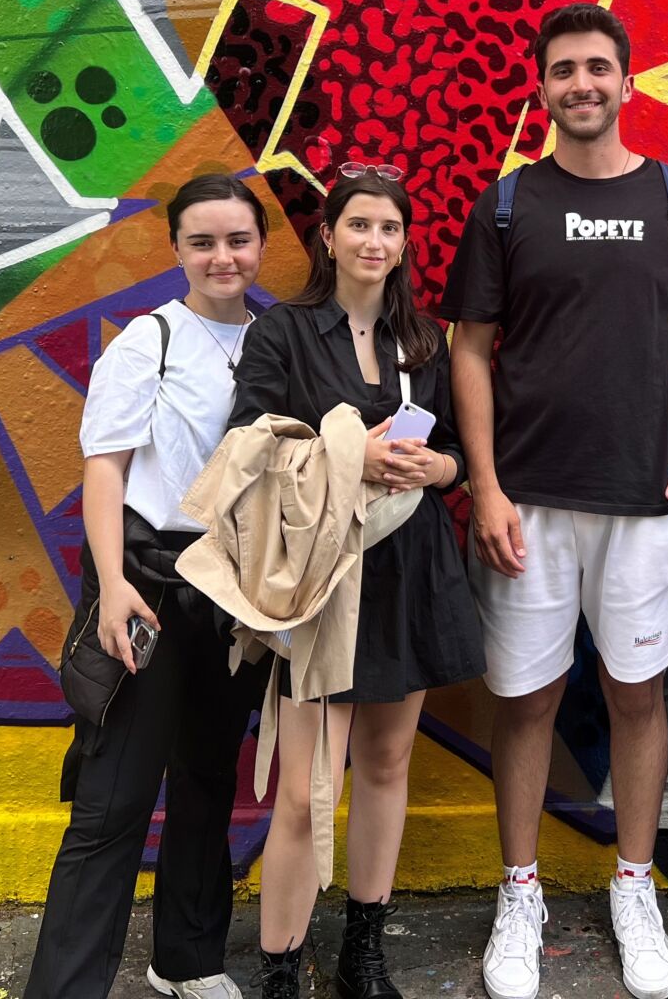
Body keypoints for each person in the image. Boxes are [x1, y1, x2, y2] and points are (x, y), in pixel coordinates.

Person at [441, 2, 668, 999]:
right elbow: (469, 351)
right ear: (543, 87)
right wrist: (484, 488)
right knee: (524, 700)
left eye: (598, 68)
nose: (582, 83)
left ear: (628, 81)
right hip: (526, 501)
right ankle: (519, 892)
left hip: (643, 501)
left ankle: (631, 887)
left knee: (636, 694)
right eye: (564, 69)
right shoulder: (507, 206)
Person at [228, 166, 486, 999]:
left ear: (404, 243)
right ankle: (279, 967)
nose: (375, 242)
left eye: (390, 229)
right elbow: (248, 449)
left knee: (386, 763)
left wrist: (438, 464)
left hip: (409, 567)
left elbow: (454, 458)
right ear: (328, 237)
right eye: (360, 226)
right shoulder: (285, 334)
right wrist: (353, 455)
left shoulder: (424, 342)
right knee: (308, 789)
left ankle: (363, 952)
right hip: (323, 580)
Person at [25, 175, 273, 999]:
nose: (222, 256)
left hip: (237, 588)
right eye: (202, 241)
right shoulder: (149, 342)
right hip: (150, 582)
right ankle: (65, 988)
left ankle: (188, 960)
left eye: (237, 239)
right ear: (176, 251)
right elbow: (106, 469)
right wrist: (111, 586)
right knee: (113, 797)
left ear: (260, 245)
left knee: (207, 779)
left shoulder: (279, 339)